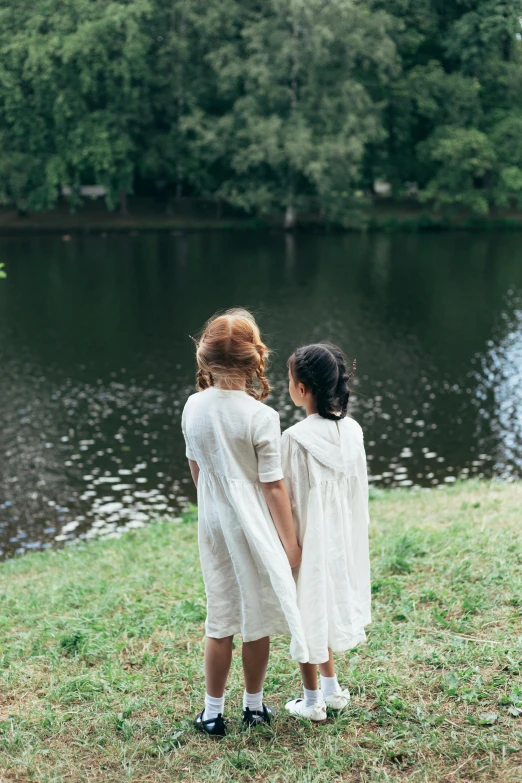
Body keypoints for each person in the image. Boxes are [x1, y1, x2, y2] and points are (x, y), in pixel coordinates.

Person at [181, 308, 308, 737]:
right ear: (256, 358)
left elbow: (198, 471)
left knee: (220, 617)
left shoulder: (194, 406)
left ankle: (212, 713)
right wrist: (290, 545)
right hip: (253, 527)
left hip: (213, 524)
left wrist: (213, 505)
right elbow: (273, 488)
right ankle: (253, 707)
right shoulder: (261, 416)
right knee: (256, 616)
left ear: (205, 356)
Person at [281, 343, 371, 722]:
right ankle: (332, 690)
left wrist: (289, 545)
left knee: (306, 614)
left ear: (302, 388)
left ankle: (312, 700)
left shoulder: (295, 438)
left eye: (288, 379)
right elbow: (357, 490)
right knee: (324, 611)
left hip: (307, 540)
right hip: (341, 538)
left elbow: (287, 498)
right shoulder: (352, 430)